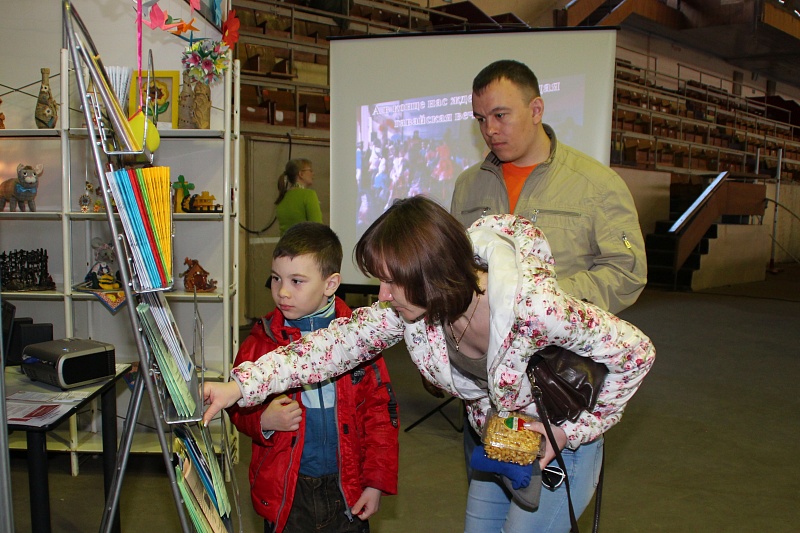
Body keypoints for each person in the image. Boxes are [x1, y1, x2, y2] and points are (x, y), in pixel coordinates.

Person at [204, 196, 656, 533]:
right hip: (503, 435)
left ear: (428, 275)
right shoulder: (416, 311)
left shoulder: (535, 309)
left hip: (565, 438)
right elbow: (329, 347)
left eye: (389, 282)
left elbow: (637, 352)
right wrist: (240, 388)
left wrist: (565, 434)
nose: (381, 295)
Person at [449, 59, 649, 481]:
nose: (490, 129)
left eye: (501, 115)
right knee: (485, 517)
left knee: (541, 518)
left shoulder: (595, 184)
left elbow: (627, 270)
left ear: (536, 110)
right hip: (487, 388)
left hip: (560, 386)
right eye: (481, 119)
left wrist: (547, 303)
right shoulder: (468, 186)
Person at [228, 222, 399, 533]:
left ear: (330, 284)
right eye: (276, 278)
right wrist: (263, 420)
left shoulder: (360, 339)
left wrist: (375, 483)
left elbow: (380, 415)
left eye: (297, 281)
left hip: (347, 486)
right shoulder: (260, 341)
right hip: (287, 491)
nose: (282, 291)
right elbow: (237, 405)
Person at [274, 158, 323, 235]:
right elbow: (318, 229)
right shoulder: (309, 195)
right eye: (310, 170)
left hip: (284, 245)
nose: (313, 173)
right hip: (305, 246)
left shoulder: (282, 197)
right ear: (301, 174)